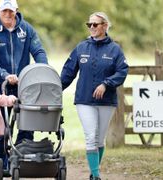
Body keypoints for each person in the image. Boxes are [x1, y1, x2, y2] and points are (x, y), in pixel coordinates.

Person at [0, 0, 48, 173]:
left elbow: (38, 51)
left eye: (11, 11)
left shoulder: (27, 29)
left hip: (24, 85)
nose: (8, 15)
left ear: (16, 10)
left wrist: (42, 69)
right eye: (4, 11)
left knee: (27, 124)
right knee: (0, 128)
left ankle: (20, 159)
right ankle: (2, 164)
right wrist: (3, 74)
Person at [60, 12, 128, 180]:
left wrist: (106, 84)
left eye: (95, 25)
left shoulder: (115, 49)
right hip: (84, 100)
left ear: (104, 26)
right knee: (90, 136)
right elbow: (68, 73)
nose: (91, 27)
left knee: (99, 139)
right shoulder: (81, 48)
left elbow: (122, 72)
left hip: (107, 101)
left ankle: (93, 172)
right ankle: (96, 176)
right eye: (89, 24)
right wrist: (54, 89)